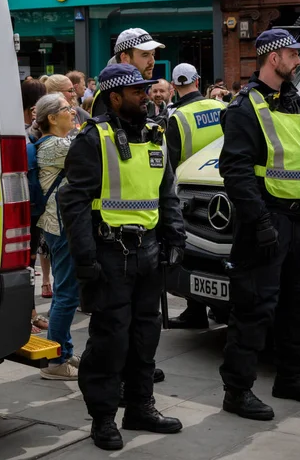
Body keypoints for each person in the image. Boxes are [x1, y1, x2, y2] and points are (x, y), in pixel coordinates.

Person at [59, 64, 186, 451]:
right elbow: (73, 201)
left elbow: (167, 191)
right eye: (137, 92)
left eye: (146, 91)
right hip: (110, 255)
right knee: (110, 339)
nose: (146, 96)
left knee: (145, 335)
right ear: (115, 97)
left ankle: (140, 406)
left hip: (149, 253)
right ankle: (103, 418)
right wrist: (85, 260)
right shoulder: (93, 138)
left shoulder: (156, 135)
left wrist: (175, 235)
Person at [218, 28, 300, 421]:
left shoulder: (296, 100)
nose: (298, 61)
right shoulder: (244, 107)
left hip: (296, 221)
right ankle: (237, 391)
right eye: (292, 54)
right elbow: (236, 172)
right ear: (272, 57)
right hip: (264, 222)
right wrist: (261, 222)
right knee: (253, 308)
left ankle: (289, 378)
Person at [166, 63, 226, 329]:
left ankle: (196, 311)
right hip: (223, 187)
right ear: (198, 81)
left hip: (190, 194)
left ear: (174, 86)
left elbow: (170, 162)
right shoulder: (222, 108)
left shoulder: (177, 118)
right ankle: (221, 309)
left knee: (194, 253)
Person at [34, 93, 81, 380]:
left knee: (66, 291)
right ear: (52, 118)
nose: (73, 111)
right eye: (66, 109)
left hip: (55, 223)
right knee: (66, 294)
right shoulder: (56, 146)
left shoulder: (55, 143)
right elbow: (89, 147)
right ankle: (55, 362)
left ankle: (63, 349)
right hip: (60, 225)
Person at [21, 79, 50, 333]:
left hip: (31, 210)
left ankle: (29, 313)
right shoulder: (23, 137)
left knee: (28, 264)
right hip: (28, 211)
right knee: (25, 264)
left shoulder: (28, 135)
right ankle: (25, 315)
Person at [91, 28, 165, 118]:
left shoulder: (122, 86)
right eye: (145, 55)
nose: (152, 61)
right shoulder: (108, 90)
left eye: (153, 54)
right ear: (124, 58)